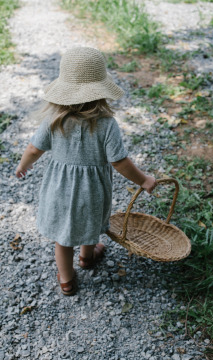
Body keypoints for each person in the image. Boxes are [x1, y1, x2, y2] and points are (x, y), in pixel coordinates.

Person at [16, 47, 157, 296]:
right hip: (92, 191)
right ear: (100, 91)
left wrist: (23, 165)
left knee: (63, 237)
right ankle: (87, 256)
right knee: (90, 223)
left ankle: (67, 281)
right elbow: (119, 162)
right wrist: (143, 180)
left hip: (59, 191)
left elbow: (33, 149)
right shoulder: (107, 124)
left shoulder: (53, 120)